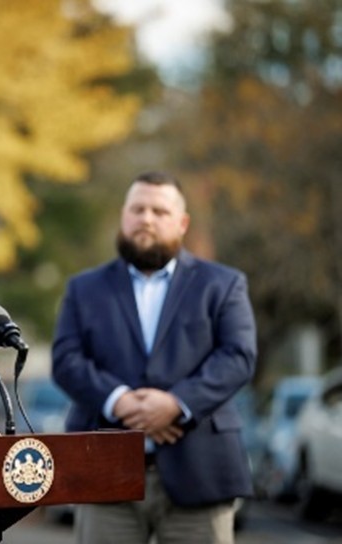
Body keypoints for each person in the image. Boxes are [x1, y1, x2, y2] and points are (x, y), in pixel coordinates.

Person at [51, 171, 257, 544]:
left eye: (159, 211)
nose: (146, 218)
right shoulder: (84, 288)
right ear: (123, 216)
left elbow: (237, 356)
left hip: (200, 472)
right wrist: (121, 401)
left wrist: (176, 404)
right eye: (138, 209)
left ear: (182, 223)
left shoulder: (223, 284)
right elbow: (66, 359)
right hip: (104, 474)